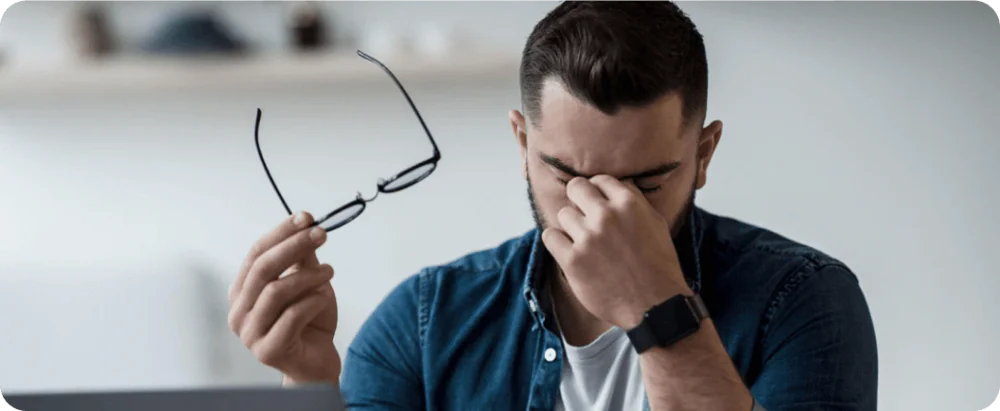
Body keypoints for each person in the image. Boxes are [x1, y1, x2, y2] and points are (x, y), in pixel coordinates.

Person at [226, 1, 879, 410]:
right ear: (522, 143)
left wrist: (660, 313)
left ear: (703, 155)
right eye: (566, 173)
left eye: (645, 183)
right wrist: (309, 382)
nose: (602, 210)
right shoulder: (426, 323)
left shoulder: (804, 300)